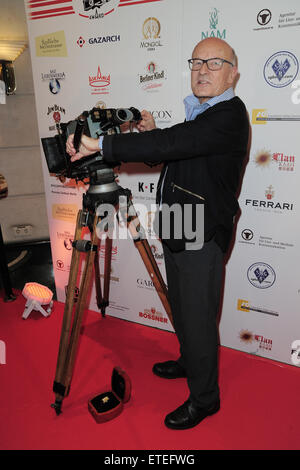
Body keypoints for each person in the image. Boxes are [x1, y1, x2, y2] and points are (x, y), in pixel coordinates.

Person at [66, 37, 249, 430]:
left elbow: (175, 143)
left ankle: (206, 398)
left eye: (214, 63)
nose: (202, 70)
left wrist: (100, 143)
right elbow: (175, 150)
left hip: (202, 235)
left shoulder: (229, 115)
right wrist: (152, 132)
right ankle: (189, 360)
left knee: (199, 319)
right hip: (178, 227)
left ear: (233, 73)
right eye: (196, 61)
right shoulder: (202, 113)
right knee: (183, 309)